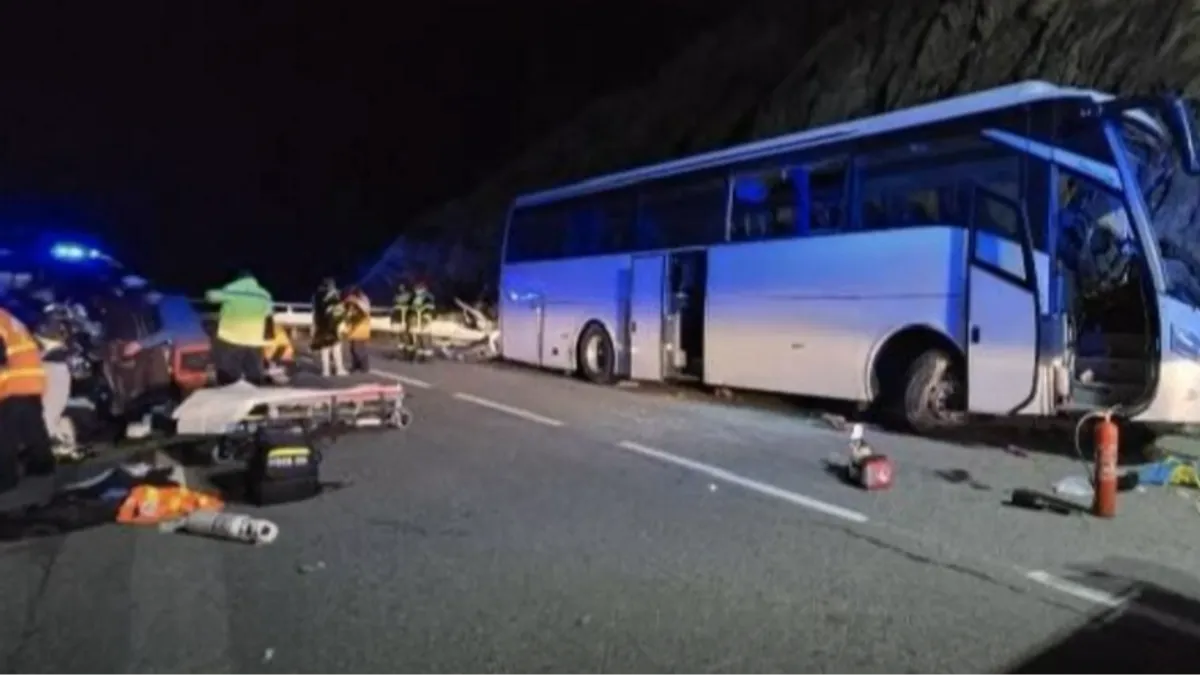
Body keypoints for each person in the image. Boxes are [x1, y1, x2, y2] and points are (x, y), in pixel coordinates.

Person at [0, 304, 54, 493]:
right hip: (31, 380)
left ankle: (5, 479)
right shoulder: (7, 318)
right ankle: (43, 466)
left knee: (5, 437)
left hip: (12, 384)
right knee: (33, 429)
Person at [204, 270, 272, 385]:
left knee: (229, 374)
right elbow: (268, 314)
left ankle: (230, 395)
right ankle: (254, 394)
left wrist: (209, 292)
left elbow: (211, 297)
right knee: (254, 374)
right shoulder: (264, 294)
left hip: (231, 338)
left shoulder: (232, 289)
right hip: (254, 340)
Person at [311, 278, 347, 377]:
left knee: (325, 350)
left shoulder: (316, 297)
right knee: (336, 349)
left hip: (321, 326)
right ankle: (339, 369)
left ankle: (325, 371)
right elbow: (339, 312)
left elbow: (315, 313)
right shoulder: (334, 296)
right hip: (333, 326)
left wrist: (314, 326)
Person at [343, 286, 371, 372]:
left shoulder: (363, 299)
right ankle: (355, 365)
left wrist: (356, 301)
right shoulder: (350, 301)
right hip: (352, 328)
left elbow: (366, 309)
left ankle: (364, 366)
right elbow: (346, 310)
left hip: (361, 327)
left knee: (359, 349)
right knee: (352, 349)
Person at [410, 280, 436, 361]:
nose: (416, 290)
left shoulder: (428, 296)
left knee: (425, 336)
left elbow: (431, 307)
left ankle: (428, 355)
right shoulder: (416, 297)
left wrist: (424, 310)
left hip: (425, 317)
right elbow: (413, 306)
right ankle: (420, 354)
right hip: (417, 318)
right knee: (418, 336)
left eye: (418, 288)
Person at [391, 280, 412, 359]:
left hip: (406, 318)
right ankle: (401, 351)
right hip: (398, 318)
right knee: (399, 334)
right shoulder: (396, 297)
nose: (401, 288)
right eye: (400, 287)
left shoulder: (408, 296)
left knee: (407, 334)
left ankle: (408, 351)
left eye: (402, 287)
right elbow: (394, 307)